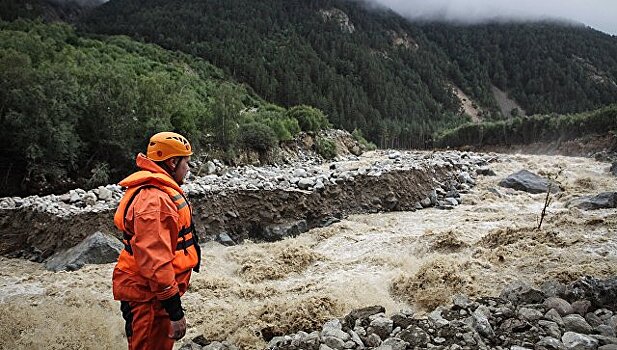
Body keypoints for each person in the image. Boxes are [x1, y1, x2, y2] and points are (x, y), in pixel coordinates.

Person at [112, 131, 201, 350]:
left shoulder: (159, 194)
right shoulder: (155, 202)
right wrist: (175, 311)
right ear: (172, 162)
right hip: (148, 298)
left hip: (152, 296)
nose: (188, 168)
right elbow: (156, 263)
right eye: (186, 162)